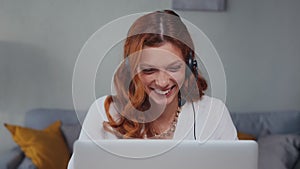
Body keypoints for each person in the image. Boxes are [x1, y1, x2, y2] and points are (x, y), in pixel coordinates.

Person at [68, 9, 237, 168]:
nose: (163, 82)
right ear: (131, 70)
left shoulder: (214, 113)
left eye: (173, 68)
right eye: (149, 70)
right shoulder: (105, 112)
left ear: (189, 66)